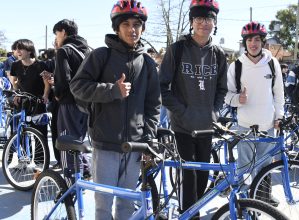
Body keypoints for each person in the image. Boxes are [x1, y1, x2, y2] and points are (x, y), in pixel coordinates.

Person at [70, 1, 160, 219]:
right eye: (126, 24)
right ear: (117, 28)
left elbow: (153, 106)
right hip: (105, 143)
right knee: (103, 206)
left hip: (135, 146)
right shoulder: (101, 55)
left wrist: (149, 140)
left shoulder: (147, 63)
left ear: (142, 28)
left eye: (137, 24)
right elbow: (77, 87)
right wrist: (112, 90)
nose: (132, 29)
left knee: (127, 205)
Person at [159, 0, 227, 217]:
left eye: (208, 19)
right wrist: (181, 111)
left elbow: (222, 89)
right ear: (191, 22)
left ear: (214, 23)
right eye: (199, 19)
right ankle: (189, 214)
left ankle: (192, 210)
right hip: (182, 127)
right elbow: (162, 87)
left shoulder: (219, 54)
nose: (204, 23)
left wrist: (214, 113)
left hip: (207, 126)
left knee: (204, 176)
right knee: (188, 176)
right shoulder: (176, 50)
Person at [224, 21, 284, 205]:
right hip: (244, 124)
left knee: (266, 164)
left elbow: (279, 93)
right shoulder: (237, 66)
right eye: (249, 39)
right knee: (244, 164)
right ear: (245, 43)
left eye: (257, 39)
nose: (253, 43)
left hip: (268, 122)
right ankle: (244, 199)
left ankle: (264, 197)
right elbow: (227, 94)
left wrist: (279, 115)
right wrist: (236, 100)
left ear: (263, 42)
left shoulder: (272, 63)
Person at [51, 19, 91, 184]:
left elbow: (63, 79)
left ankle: (71, 181)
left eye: (56, 34)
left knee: (67, 141)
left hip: (69, 102)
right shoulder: (89, 50)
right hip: (88, 102)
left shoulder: (64, 51)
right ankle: (85, 171)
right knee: (82, 140)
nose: (56, 38)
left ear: (63, 32)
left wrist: (58, 93)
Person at [9, 39, 52, 163]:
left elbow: (47, 83)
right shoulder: (15, 65)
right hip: (22, 101)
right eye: (16, 49)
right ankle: (26, 157)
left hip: (37, 100)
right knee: (21, 130)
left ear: (29, 50)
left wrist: (45, 95)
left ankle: (40, 162)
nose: (18, 51)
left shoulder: (41, 65)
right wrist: (16, 94)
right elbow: (15, 82)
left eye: (20, 48)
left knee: (39, 132)